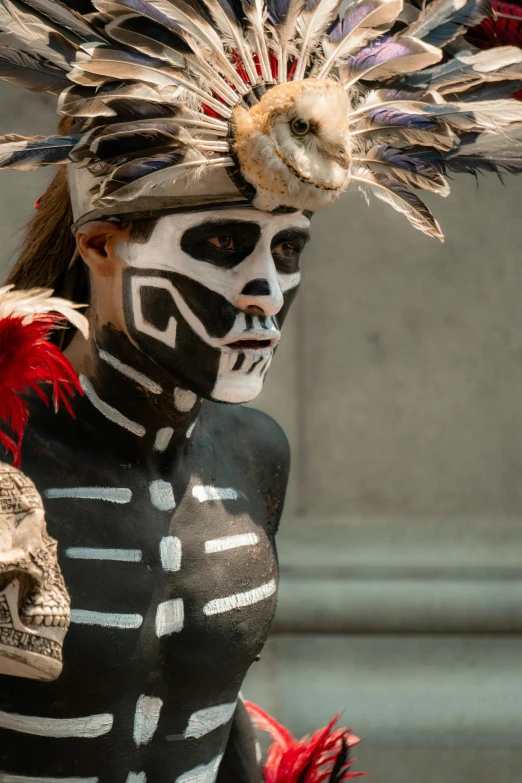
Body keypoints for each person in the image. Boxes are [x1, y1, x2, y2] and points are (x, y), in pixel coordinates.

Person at [0, 0, 521, 780]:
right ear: (102, 245)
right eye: (221, 245)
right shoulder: (11, 456)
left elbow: (207, 707)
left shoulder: (250, 455)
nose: (264, 291)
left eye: (287, 250)